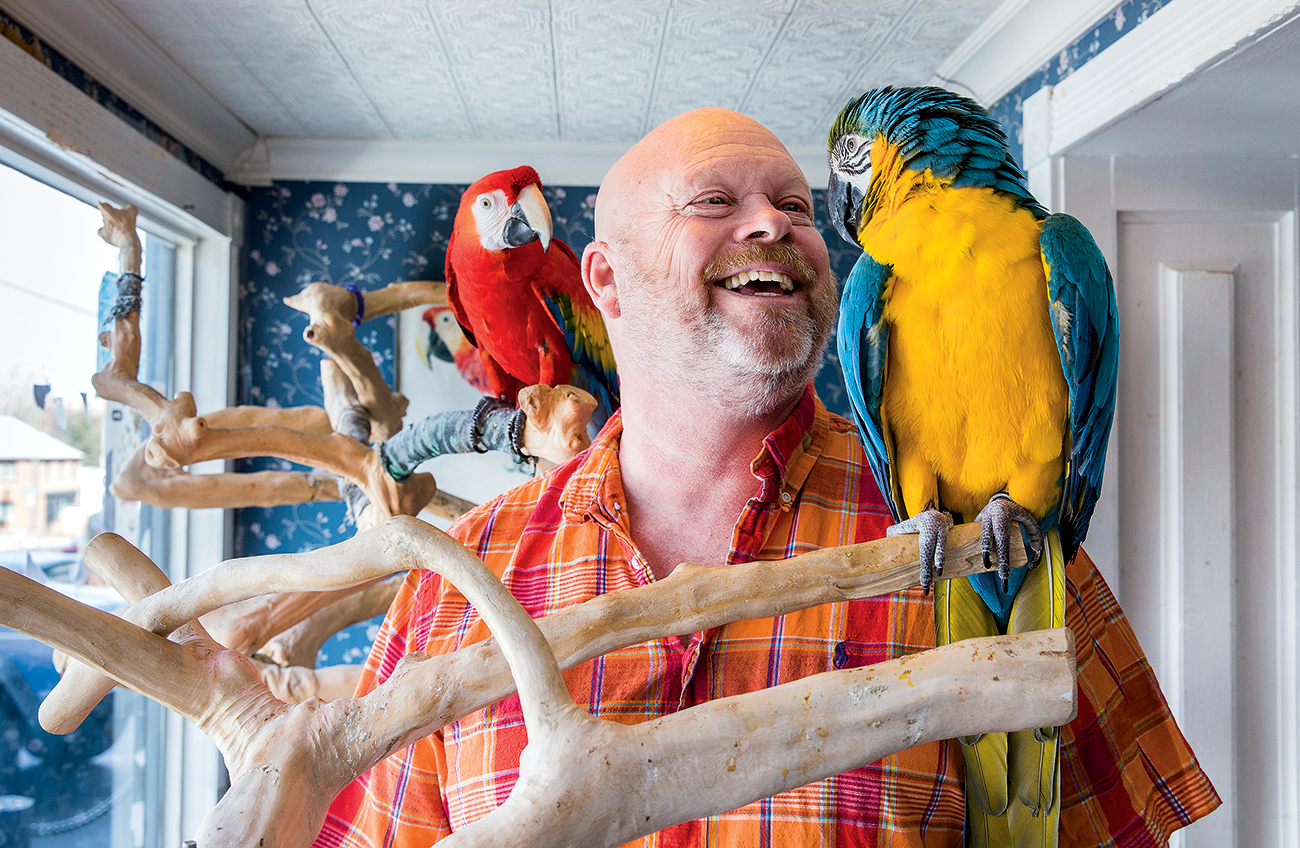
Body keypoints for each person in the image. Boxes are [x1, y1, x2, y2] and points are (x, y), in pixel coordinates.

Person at [316, 108, 1218, 846]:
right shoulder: (453, 590)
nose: (775, 223)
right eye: (714, 200)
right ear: (605, 281)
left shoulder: (999, 545)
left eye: (796, 204)